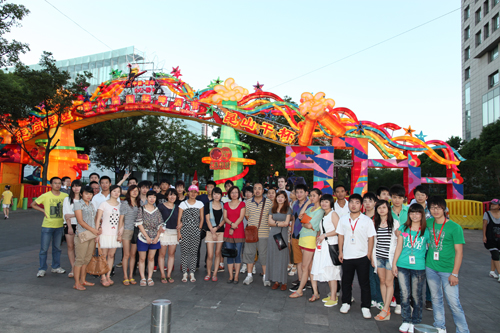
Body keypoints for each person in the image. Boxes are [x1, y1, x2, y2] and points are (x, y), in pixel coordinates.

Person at [425, 196, 469, 333]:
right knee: (436, 299)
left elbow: (459, 252)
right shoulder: (428, 223)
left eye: (438, 207)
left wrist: (454, 273)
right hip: (431, 267)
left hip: (448, 270)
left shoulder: (455, 228)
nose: (435, 210)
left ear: (444, 209)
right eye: (432, 207)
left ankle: (463, 330)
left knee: (454, 303)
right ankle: (439, 326)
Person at [337, 193, 376, 319]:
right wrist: (341, 252)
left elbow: (371, 238)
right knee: (346, 281)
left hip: (362, 256)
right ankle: (346, 302)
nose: (354, 205)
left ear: (361, 205)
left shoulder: (367, 220)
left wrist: (369, 254)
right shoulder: (343, 219)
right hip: (347, 255)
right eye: (351, 202)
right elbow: (340, 236)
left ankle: (365, 306)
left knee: (364, 283)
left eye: (357, 202)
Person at [392, 203, 429, 333]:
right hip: (402, 265)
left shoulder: (426, 231)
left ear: (422, 215)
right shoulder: (403, 228)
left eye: (417, 213)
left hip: (419, 267)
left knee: (416, 295)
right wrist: (394, 264)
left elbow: (430, 248)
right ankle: (406, 320)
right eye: (412, 213)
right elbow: (399, 247)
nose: (414, 215)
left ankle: (416, 321)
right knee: (404, 294)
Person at [289, 188, 324, 298]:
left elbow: (309, 225)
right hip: (303, 238)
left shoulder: (320, 210)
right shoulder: (311, 208)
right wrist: (307, 203)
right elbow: (300, 216)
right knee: (309, 267)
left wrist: (305, 223)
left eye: (314, 196)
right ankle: (316, 292)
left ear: (319, 196)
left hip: (310, 240)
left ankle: (300, 290)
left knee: (305, 267)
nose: (312, 198)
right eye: (311, 196)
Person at [32, 177, 68, 277]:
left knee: (57, 248)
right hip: (47, 225)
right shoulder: (46, 196)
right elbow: (33, 204)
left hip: (59, 225)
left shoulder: (65, 196)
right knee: (44, 249)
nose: (57, 185)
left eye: (59, 183)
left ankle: (56, 267)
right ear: (51, 185)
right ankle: (42, 269)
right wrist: (43, 211)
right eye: (55, 183)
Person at [310, 194, 341, 307]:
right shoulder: (324, 214)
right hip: (323, 246)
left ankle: (334, 297)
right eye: (322, 201)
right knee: (328, 271)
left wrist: (324, 235)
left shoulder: (333, 214)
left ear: (331, 203)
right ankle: (332, 295)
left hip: (331, 245)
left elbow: (338, 229)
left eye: (326, 202)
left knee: (332, 272)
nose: (324, 203)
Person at [372, 200, 400, 321]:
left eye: (384, 207)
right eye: (379, 208)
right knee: (382, 281)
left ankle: (385, 309)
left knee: (389, 282)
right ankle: (386, 308)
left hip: (390, 258)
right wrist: (372, 258)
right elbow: (373, 242)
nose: (381, 210)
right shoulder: (375, 223)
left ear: (388, 209)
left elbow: (399, 243)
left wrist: (395, 262)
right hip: (378, 257)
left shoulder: (395, 223)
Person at [243, 183, 273, 286]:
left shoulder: (269, 202)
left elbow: (271, 217)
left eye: (259, 188)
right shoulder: (248, 202)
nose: (257, 190)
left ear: (263, 191)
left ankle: (265, 277)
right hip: (251, 234)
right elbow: (247, 216)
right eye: (255, 188)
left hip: (264, 233)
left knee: (264, 255)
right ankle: (249, 275)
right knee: (249, 253)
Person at [72, 186, 100, 291]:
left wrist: (97, 230)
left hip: (91, 236)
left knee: (87, 259)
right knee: (79, 260)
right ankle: (76, 283)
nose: (88, 196)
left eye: (90, 194)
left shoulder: (91, 204)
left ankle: (83, 280)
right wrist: (93, 230)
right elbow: (80, 221)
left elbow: (94, 219)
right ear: (81, 194)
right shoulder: (77, 204)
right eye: (86, 194)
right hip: (82, 235)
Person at [95, 185, 122, 287]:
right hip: (104, 233)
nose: (116, 193)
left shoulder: (120, 205)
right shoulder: (104, 204)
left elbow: (121, 220)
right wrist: (97, 232)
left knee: (111, 255)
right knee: (103, 256)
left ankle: (108, 275)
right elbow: (98, 219)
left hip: (115, 234)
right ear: (110, 192)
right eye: (114, 191)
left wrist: (120, 231)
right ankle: (102, 277)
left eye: (118, 192)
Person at [135, 190, 163, 287]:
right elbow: (139, 224)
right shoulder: (141, 209)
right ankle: (143, 278)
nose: (152, 199)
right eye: (150, 197)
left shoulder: (157, 210)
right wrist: (146, 237)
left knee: (151, 258)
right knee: (142, 258)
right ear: (147, 198)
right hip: (143, 237)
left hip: (155, 237)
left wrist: (157, 237)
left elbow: (161, 225)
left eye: (154, 197)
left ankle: (150, 277)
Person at [266, 190, 292, 290]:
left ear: (285, 199)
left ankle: (284, 281)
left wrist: (275, 222)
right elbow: (269, 222)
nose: (280, 198)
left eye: (282, 197)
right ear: (276, 198)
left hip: (281, 236)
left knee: (282, 258)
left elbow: (286, 223)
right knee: (273, 257)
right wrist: (278, 223)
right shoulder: (272, 209)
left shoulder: (287, 209)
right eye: (278, 197)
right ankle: (276, 281)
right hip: (273, 235)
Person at [178, 185, 204, 283]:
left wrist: (199, 229)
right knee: (184, 252)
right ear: (188, 192)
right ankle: (185, 273)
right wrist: (178, 233)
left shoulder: (200, 204)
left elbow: (201, 218)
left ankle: (192, 272)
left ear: (197, 193)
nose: (193, 194)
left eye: (195, 192)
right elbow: (179, 219)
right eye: (191, 191)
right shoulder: (182, 204)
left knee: (194, 253)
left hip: (195, 231)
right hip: (184, 230)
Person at [289, 184, 313, 291]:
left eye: (301, 192)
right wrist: (292, 234)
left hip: (307, 236)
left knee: (308, 263)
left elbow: (306, 221)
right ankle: (300, 281)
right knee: (298, 261)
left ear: (306, 193)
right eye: (297, 192)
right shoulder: (295, 204)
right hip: (296, 235)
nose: (298, 194)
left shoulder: (311, 205)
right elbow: (294, 220)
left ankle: (309, 282)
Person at [363, 192, 384, 310]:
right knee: (368, 276)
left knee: (378, 276)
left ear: (375, 203)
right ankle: (371, 298)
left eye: (370, 201)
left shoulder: (379, 217)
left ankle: (380, 299)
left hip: (378, 251)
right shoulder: (361, 217)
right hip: (363, 250)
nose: (367, 204)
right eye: (365, 201)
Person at [117, 185, 140, 285]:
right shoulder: (125, 203)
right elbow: (121, 219)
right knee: (126, 254)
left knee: (133, 254)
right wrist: (119, 232)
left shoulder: (139, 203)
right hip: (126, 230)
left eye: (136, 191)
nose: (135, 192)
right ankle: (125, 276)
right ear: (129, 192)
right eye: (133, 190)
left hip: (136, 231)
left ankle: (131, 275)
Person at [390, 184, 407, 314]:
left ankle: (406, 302)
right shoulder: (386, 210)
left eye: (400, 197)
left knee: (405, 276)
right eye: (394, 197)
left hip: (407, 248)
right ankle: (397, 301)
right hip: (391, 248)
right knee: (394, 275)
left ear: (404, 199)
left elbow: (415, 229)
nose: (397, 200)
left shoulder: (409, 212)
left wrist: (402, 234)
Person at [223, 186, 246, 283]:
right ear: (229, 194)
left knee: (237, 254)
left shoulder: (242, 204)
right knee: (229, 254)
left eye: (236, 192)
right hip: (228, 232)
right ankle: (230, 276)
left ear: (239, 194)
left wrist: (233, 226)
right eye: (232, 192)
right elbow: (225, 217)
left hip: (238, 231)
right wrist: (231, 225)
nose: (234, 194)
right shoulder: (226, 205)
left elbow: (241, 217)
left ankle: (236, 276)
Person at [158, 188, 181, 283]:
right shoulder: (161, 206)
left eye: (174, 195)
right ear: (167, 196)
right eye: (170, 195)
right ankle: (162, 275)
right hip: (164, 232)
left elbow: (182, 218)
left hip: (174, 232)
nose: (172, 197)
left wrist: (181, 225)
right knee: (162, 254)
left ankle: (169, 274)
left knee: (171, 254)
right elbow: (157, 219)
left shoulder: (178, 207)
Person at [204, 187, 225, 282]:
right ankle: (208, 273)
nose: (216, 196)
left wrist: (217, 228)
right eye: (215, 194)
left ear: (221, 195)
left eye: (218, 194)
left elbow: (225, 219)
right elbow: (207, 219)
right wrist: (213, 230)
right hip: (210, 231)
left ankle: (215, 273)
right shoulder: (208, 205)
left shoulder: (223, 205)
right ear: (212, 195)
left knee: (217, 253)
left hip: (220, 231)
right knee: (210, 255)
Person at [63, 180, 82, 278]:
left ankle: (79, 268)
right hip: (70, 225)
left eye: (78, 186)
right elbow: (66, 215)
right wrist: (70, 226)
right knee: (70, 247)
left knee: (79, 248)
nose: (76, 188)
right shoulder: (67, 199)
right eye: (74, 186)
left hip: (81, 225)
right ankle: (73, 267)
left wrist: (73, 214)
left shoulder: (84, 199)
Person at [196, 180, 216, 270]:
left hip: (211, 226)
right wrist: (194, 186)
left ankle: (207, 263)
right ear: (206, 188)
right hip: (201, 225)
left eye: (212, 187)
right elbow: (192, 195)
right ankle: (195, 264)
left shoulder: (216, 199)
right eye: (208, 187)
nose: (210, 189)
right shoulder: (201, 197)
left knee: (209, 247)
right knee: (197, 245)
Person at [483, 198, 500, 282]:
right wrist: (484, 236)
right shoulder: (487, 214)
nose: (492, 205)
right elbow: (484, 225)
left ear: (499, 206)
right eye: (491, 204)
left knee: (496, 255)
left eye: (494, 204)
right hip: (490, 238)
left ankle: (492, 271)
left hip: (499, 239)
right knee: (496, 255)